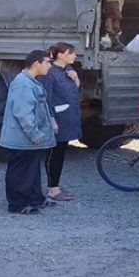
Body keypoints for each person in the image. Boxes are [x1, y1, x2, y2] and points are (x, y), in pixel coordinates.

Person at [0, 50, 57, 215]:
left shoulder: (31, 81)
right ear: (36, 63)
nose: (49, 66)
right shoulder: (23, 84)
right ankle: (17, 204)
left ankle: (35, 199)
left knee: (31, 169)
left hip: (25, 140)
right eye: (47, 62)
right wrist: (34, 134)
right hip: (21, 139)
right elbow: (23, 113)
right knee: (20, 171)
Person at [38, 43, 82, 201]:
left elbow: (75, 93)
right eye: (71, 53)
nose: (74, 56)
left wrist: (76, 79)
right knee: (54, 154)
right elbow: (46, 99)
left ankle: (55, 185)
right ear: (61, 55)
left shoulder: (67, 71)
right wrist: (51, 120)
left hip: (68, 120)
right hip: (57, 120)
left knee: (60, 153)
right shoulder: (49, 74)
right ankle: (52, 189)